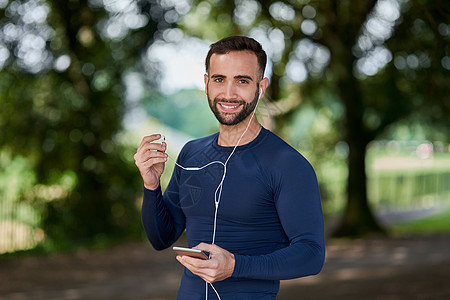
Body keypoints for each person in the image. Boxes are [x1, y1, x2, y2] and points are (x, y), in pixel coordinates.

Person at [134, 36, 325, 300]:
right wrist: (151, 184)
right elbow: (161, 238)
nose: (229, 93)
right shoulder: (191, 153)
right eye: (219, 79)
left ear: (261, 87)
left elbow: (312, 254)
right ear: (206, 83)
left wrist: (235, 266)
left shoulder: (287, 164)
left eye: (242, 81)